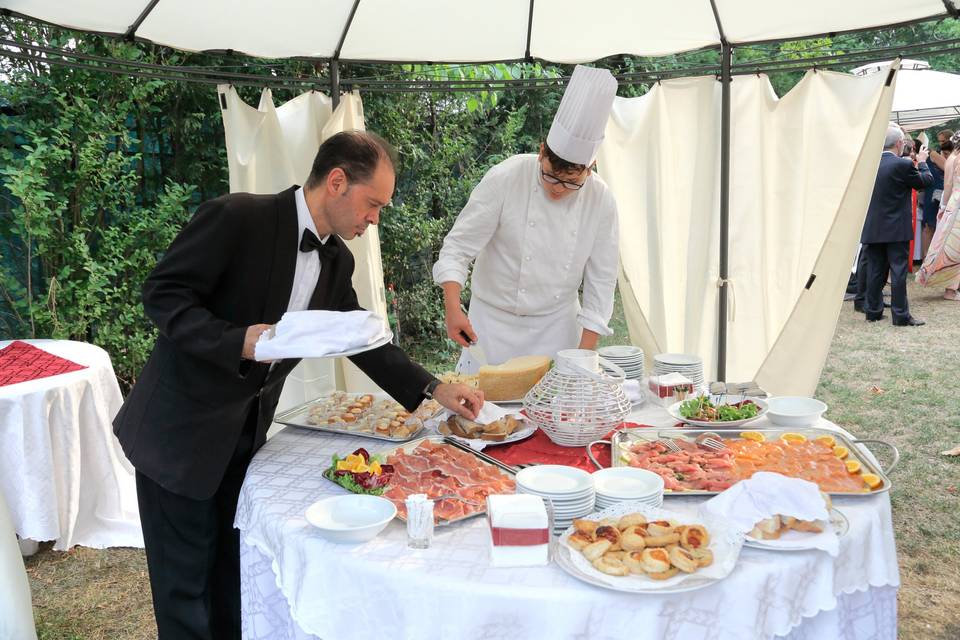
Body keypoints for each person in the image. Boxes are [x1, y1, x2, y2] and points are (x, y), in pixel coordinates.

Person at [113, 131, 483, 640]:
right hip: (179, 434)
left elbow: (360, 338)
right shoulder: (237, 218)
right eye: (373, 204)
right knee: (184, 593)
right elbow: (162, 295)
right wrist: (236, 341)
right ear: (336, 182)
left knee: (231, 574)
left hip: (244, 436)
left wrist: (433, 389)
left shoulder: (338, 260)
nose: (374, 220)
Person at [432, 65, 620, 372]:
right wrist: (453, 307)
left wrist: (582, 359)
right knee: (482, 416)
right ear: (541, 151)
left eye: (572, 183)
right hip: (490, 328)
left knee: (556, 412)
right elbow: (458, 248)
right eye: (550, 177)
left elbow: (601, 282)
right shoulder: (506, 177)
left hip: (556, 330)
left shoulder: (601, 200)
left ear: (591, 166)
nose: (559, 190)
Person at [860, 123, 933, 326]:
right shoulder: (902, 165)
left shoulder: (869, 164)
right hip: (896, 228)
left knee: (875, 270)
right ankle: (900, 315)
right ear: (899, 143)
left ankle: (873, 312)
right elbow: (925, 181)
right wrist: (923, 162)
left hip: (873, 226)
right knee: (898, 271)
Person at [918, 130, 960, 301]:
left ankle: (951, 287)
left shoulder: (951, 159)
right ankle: (951, 289)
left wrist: (944, 206)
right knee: (954, 248)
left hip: (953, 202)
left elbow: (948, 184)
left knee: (949, 245)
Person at [920, 129, 953, 258]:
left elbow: (949, 168)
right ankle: (925, 260)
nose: (941, 144)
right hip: (932, 194)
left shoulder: (948, 156)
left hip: (946, 194)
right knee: (928, 227)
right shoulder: (934, 154)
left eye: (943, 141)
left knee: (942, 229)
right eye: (939, 141)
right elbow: (949, 168)